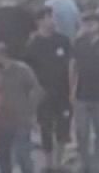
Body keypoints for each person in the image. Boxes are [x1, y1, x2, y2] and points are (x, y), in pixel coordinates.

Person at [23, 12, 72, 169]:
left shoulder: (63, 41)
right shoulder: (33, 45)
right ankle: (48, 163)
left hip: (63, 91)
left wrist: (72, 87)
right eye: (48, 18)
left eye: (53, 17)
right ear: (39, 21)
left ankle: (60, 162)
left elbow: (72, 65)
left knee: (63, 127)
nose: (52, 21)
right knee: (45, 127)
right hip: (43, 93)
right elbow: (28, 71)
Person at [69, 14, 99, 170]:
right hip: (81, 94)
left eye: (92, 23)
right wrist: (71, 90)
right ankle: (85, 163)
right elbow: (73, 67)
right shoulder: (79, 43)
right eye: (86, 23)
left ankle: (98, 163)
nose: (88, 26)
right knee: (81, 131)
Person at [0, 45, 37, 173]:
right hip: (1, 120)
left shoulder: (23, 70)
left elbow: (36, 91)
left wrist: (30, 111)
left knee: (23, 154)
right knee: (3, 155)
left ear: (2, 56)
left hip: (21, 119)